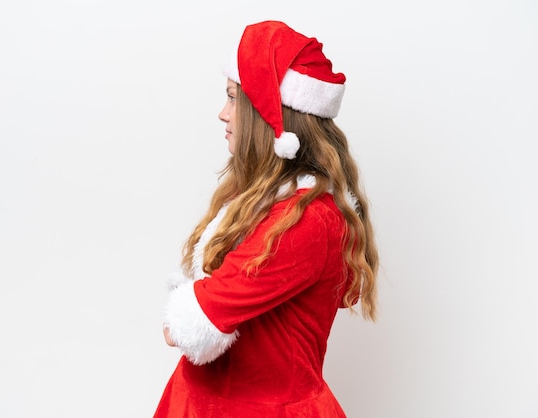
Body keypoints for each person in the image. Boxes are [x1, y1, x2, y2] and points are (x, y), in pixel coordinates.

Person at [153, 20, 379, 418]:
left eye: (233, 98)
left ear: (269, 114)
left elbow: (193, 322)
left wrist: (183, 314)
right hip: (199, 402)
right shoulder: (260, 203)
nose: (223, 114)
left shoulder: (307, 220)